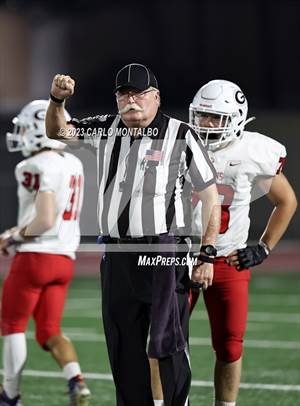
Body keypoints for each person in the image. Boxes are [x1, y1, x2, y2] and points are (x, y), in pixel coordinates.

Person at [45, 63, 221, 406]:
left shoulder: (181, 134)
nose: (131, 101)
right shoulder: (106, 128)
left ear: (155, 97)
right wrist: (56, 100)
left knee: (167, 342)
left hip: (163, 251)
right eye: (124, 94)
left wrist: (207, 252)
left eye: (139, 93)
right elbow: (57, 132)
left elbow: (211, 194)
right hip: (117, 253)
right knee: (123, 343)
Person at [189, 79, 297, 406]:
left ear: (237, 118)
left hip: (227, 259)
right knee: (163, 343)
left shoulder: (253, 151)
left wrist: (263, 248)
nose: (206, 125)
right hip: (182, 258)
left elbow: (286, 200)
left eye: (215, 118)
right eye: (201, 116)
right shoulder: (180, 144)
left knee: (230, 345)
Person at [0, 100, 91, 406]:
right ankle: (76, 379)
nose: (21, 134)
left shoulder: (31, 166)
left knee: (13, 325)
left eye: (26, 128)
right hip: (65, 259)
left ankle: (10, 394)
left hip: (35, 255)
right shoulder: (74, 163)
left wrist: (13, 238)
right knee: (49, 330)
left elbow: (44, 221)